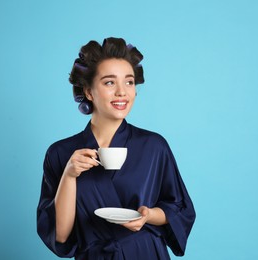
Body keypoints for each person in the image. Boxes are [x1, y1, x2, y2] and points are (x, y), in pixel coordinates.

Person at [37, 37, 196, 260]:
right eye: (110, 82)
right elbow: (61, 236)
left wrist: (148, 215)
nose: (122, 92)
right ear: (89, 91)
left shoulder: (154, 146)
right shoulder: (61, 153)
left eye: (129, 82)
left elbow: (180, 208)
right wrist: (69, 175)